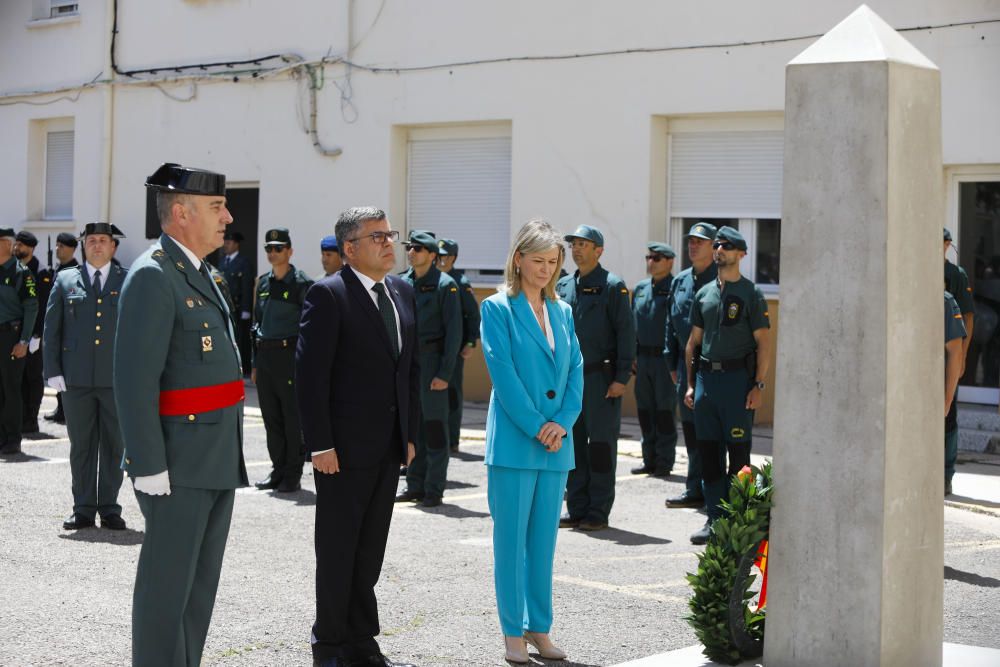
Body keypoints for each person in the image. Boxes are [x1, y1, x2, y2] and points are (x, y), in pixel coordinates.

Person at [114, 162, 247, 666]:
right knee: (166, 591)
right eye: (217, 207)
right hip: (175, 463)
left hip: (212, 457)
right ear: (179, 212)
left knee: (197, 591)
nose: (228, 217)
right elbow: (134, 381)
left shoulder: (203, 274)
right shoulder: (153, 276)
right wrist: (148, 464)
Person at [295, 206, 417, 667]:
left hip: (387, 447)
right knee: (338, 551)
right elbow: (311, 378)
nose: (389, 243)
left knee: (369, 553)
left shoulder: (402, 292)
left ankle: (362, 640)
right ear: (350, 249)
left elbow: (409, 371)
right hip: (341, 452)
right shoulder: (328, 295)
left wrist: (408, 434)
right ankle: (329, 644)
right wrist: (320, 444)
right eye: (377, 237)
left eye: (391, 235)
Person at [480, 219, 583, 664]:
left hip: (556, 444)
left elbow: (576, 369)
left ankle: (539, 628)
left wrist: (562, 421)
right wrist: (538, 425)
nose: (546, 270)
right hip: (517, 444)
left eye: (553, 262)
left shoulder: (563, 311)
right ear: (518, 259)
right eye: (538, 261)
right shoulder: (497, 308)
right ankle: (511, 634)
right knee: (510, 545)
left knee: (543, 546)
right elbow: (503, 375)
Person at [683, 226, 771, 545]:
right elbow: (693, 343)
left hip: (737, 383)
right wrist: (691, 386)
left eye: (728, 246)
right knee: (708, 453)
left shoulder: (751, 293)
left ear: (742, 254)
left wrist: (758, 385)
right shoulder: (704, 293)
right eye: (717, 245)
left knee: (738, 456)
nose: (720, 249)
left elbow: (763, 343)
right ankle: (714, 519)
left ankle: (737, 520)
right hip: (707, 381)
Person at [44, 223, 128, 530]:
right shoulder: (66, 279)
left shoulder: (128, 279)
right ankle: (82, 508)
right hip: (76, 380)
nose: (96, 245)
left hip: (114, 380)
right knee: (81, 446)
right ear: (83, 246)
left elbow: (138, 333)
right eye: (91, 240)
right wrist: (52, 371)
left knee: (114, 446)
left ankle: (109, 507)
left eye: (103, 240)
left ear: (113, 247)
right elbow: (52, 329)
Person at [555, 225, 634, 531]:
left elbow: (626, 333)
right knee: (572, 445)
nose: (576, 249)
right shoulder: (563, 286)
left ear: (598, 251)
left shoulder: (613, 286)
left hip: (601, 379)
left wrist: (621, 377)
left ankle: (598, 511)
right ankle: (576, 507)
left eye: (584, 244)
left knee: (600, 447)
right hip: (570, 381)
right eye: (574, 244)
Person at [395, 230, 462, 507]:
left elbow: (454, 333)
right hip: (408, 364)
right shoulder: (400, 282)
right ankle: (414, 484)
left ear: (433, 256)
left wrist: (445, 374)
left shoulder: (446, 286)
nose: (412, 252)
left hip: (433, 363)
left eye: (418, 249)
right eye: (409, 247)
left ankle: (433, 489)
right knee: (412, 428)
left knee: (434, 429)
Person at [252, 228, 314, 493]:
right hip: (266, 356)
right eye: (269, 249)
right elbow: (256, 323)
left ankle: (292, 473)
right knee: (271, 418)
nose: (273, 253)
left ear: (290, 251)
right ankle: (277, 470)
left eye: (278, 248)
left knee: (291, 419)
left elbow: (310, 328)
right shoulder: (263, 283)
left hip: (289, 357)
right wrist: (254, 363)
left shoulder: (302, 283)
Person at [664, 222, 718, 510]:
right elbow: (671, 324)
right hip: (685, 367)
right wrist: (671, 361)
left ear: (713, 246)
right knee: (690, 430)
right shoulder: (681, 280)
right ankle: (693, 487)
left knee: (707, 431)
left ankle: (709, 488)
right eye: (691, 241)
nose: (693, 246)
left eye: (701, 241)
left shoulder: (720, 280)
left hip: (710, 366)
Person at [630, 242, 678, 477]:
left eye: (657, 258)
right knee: (645, 411)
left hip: (664, 359)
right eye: (649, 257)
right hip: (643, 358)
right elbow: (632, 325)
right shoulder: (640, 289)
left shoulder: (675, 287)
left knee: (664, 412)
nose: (651, 262)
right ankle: (648, 458)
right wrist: (632, 355)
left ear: (670, 261)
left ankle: (664, 460)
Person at [436, 238, 481, 452]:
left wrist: (471, 342)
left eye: (444, 256)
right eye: (438, 255)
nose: (440, 259)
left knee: (452, 396)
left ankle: (452, 440)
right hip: (433, 350)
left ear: (453, 258)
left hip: (454, 349)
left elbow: (473, 315)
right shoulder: (433, 279)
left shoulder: (459, 282)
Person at [0, 228, 38, 456]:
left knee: (11, 388)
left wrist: (24, 340)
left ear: (6, 244)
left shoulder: (21, 273)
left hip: (11, 336)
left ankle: (13, 438)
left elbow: (31, 307)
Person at [40, 232, 80, 426]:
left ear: (72, 249)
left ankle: (65, 410)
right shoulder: (58, 268)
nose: (58, 249)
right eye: (57, 246)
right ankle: (61, 409)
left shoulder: (74, 270)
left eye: (62, 246)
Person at [14, 231, 44, 434]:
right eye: (15, 244)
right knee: (17, 378)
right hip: (16, 331)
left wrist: (37, 335)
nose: (17, 248)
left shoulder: (40, 272)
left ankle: (31, 418)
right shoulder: (15, 269)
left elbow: (41, 306)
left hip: (33, 334)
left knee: (32, 377)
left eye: (21, 245)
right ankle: (20, 417)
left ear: (30, 248)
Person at [218, 230, 254, 376]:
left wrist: (246, 308)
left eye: (229, 242)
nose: (225, 245)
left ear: (236, 244)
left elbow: (246, 285)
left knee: (240, 339)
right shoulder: (222, 262)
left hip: (239, 308)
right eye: (225, 242)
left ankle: (243, 368)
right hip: (226, 307)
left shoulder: (243, 262)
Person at [945, 290, 967, 496]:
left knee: (949, 420)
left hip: (940, 386)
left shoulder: (946, 300)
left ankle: (946, 476)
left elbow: (955, 348)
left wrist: (947, 398)